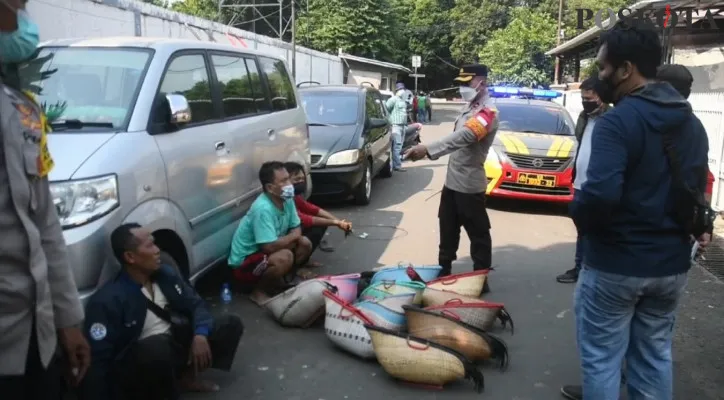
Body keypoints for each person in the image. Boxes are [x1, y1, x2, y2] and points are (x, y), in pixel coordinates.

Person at [563, 22, 711, 400]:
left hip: (615, 266)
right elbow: (697, 192)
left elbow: (599, 197)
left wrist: (576, 209)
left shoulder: (618, 122)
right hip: (670, 267)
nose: (599, 76)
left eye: (603, 67)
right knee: (654, 357)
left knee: (602, 360)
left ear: (626, 69)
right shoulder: (692, 125)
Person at [0, 2, 91, 399]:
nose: (23, 16)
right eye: (15, 5)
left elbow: (45, 226)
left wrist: (68, 319)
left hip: (31, 334)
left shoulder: (22, 111)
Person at [80, 223, 244, 400]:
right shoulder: (109, 299)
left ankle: (185, 379)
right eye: (149, 246)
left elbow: (196, 304)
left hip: (173, 344)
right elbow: (98, 362)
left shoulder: (165, 275)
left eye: (155, 243)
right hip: (143, 363)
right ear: (130, 257)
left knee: (230, 324)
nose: (157, 250)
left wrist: (200, 335)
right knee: (157, 348)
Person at [403, 64, 499, 284]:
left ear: (481, 82)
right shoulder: (469, 107)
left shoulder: (487, 113)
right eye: (461, 83)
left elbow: (463, 137)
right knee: (447, 228)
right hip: (452, 182)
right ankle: (443, 270)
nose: (462, 87)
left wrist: (428, 149)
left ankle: (480, 279)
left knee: (478, 234)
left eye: (467, 83)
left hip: (469, 185)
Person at [228, 161, 314, 305]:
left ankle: (278, 281)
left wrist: (294, 236)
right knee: (284, 256)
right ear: (270, 187)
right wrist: (293, 236)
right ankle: (258, 292)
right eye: (284, 181)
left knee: (304, 243)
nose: (290, 184)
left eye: (288, 178)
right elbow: (268, 247)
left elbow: (297, 226)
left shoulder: (287, 200)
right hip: (244, 263)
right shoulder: (263, 209)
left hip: (266, 252)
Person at [556, 76, 610, 284]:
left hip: (596, 185)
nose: (585, 102)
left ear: (601, 97)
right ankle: (580, 267)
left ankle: (591, 269)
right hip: (580, 184)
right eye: (583, 97)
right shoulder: (584, 117)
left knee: (594, 230)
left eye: (589, 97)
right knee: (581, 229)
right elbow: (581, 144)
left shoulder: (611, 119)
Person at [656, 63, 716, 205]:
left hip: (654, 215)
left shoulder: (652, 121)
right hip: (684, 216)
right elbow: (705, 175)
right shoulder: (697, 127)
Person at [284, 161, 353, 264]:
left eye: (302, 179)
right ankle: (297, 267)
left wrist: (338, 221)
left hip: (289, 232)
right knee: (308, 236)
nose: (301, 182)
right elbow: (305, 219)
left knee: (320, 225)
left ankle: (303, 260)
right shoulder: (284, 199)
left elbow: (312, 209)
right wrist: (336, 223)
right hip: (279, 239)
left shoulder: (292, 197)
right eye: (297, 179)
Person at [385, 82, 409, 172]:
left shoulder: (402, 101)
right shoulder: (393, 99)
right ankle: (397, 166)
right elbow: (386, 109)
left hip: (403, 126)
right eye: (400, 89)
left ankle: (397, 164)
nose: (402, 91)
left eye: (403, 89)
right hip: (395, 126)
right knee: (397, 146)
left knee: (400, 146)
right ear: (397, 91)